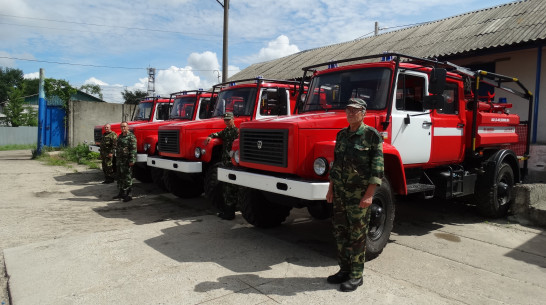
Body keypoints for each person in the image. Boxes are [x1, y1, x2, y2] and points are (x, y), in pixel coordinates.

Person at [325, 97, 384, 292]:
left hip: (359, 198)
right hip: (341, 195)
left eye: (355, 110)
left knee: (357, 236)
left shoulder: (371, 136)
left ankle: (357, 275)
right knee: (340, 233)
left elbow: (377, 171)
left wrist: (369, 195)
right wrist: (330, 188)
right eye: (348, 109)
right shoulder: (341, 135)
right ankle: (344, 270)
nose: (351, 113)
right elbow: (336, 165)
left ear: (363, 113)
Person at [204, 112, 239, 220]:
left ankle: (230, 213)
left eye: (228, 119)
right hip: (225, 162)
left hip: (232, 163)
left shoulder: (236, 132)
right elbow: (217, 134)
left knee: (230, 188)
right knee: (225, 187)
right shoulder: (226, 131)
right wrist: (210, 137)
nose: (227, 121)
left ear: (233, 119)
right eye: (225, 120)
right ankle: (227, 211)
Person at [113, 121, 137, 202]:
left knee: (127, 177)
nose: (123, 128)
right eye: (122, 127)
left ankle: (128, 194)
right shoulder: (120, 136)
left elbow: (133, 150)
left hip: (127, 161)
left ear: (128, 127)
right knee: (120, 177)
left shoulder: (131, 137)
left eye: (124, 126)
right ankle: (121, 193)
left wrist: (132, 160)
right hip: (120, 160)